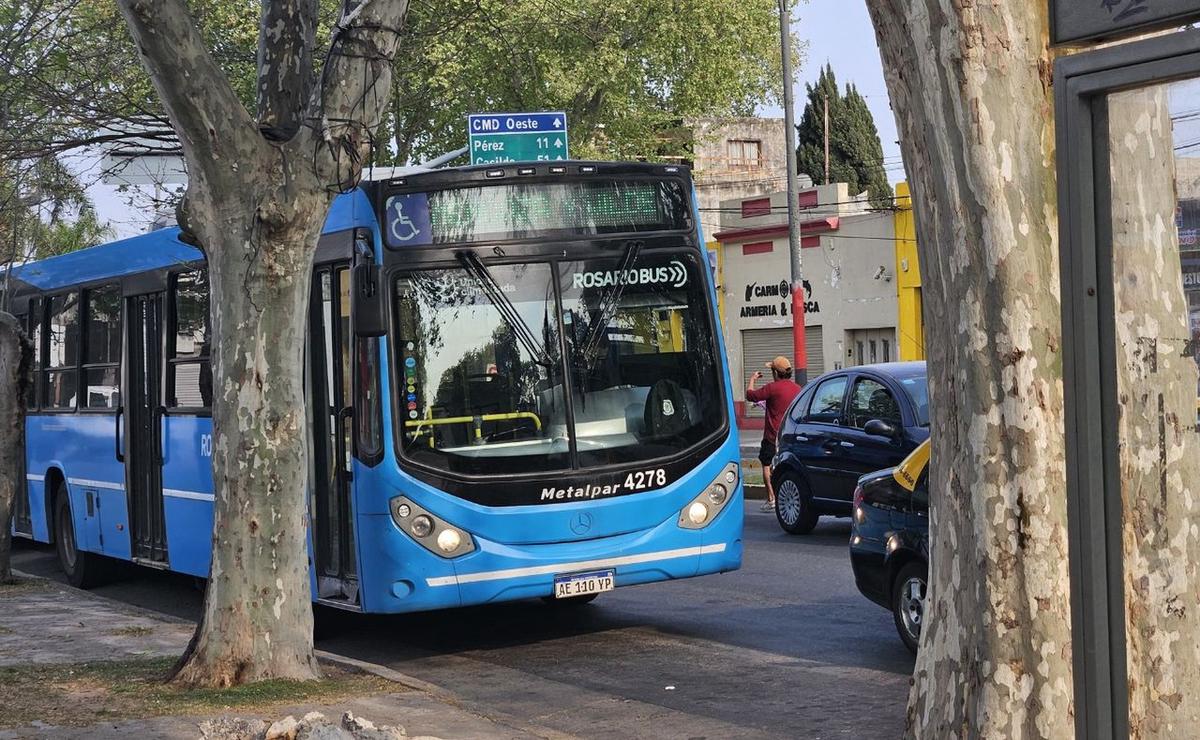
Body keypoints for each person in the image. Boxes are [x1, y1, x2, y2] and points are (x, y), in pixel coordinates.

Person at [746, 356, 802, 513]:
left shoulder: (772, 388)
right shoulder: (798, 389)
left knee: (766, 464)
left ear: (776, 373)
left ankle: (771, 498)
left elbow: (750, 395)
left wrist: (752, 379)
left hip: (772, 436)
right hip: (790, 436)